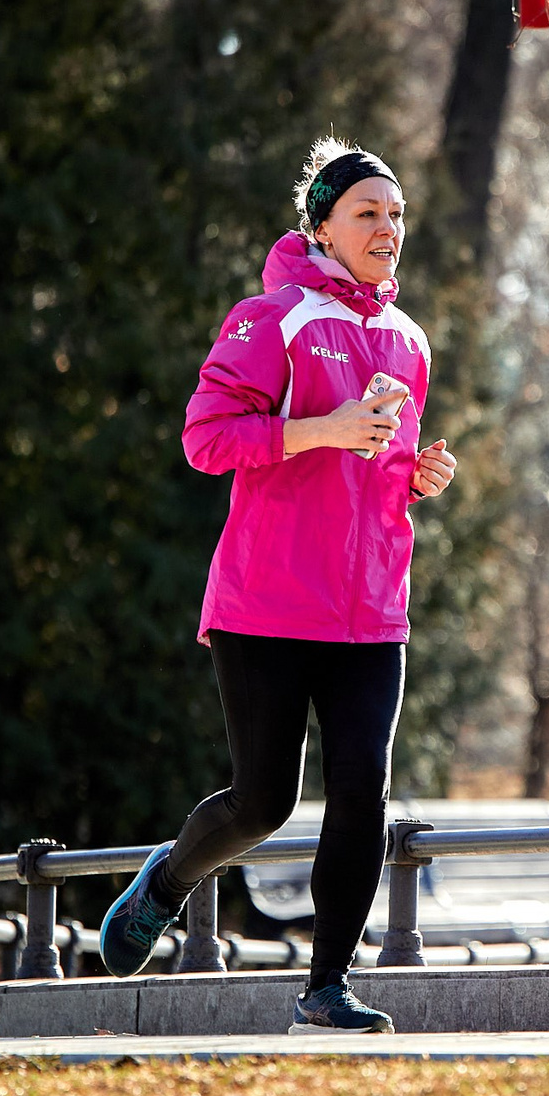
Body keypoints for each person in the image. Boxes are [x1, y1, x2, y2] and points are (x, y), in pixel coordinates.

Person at [98, 141, 455, 1033]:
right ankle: (169, 878)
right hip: (269, 602)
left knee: (364, 791)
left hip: (372, 608)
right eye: (367, 212)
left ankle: (325, 985)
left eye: (396, 214)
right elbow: (207, 438)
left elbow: (371, 464)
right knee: (265, 800)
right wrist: (320, 427)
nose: (387, 229)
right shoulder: (272, 317)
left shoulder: (407, 340)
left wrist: (416, 476)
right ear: (324, 226)